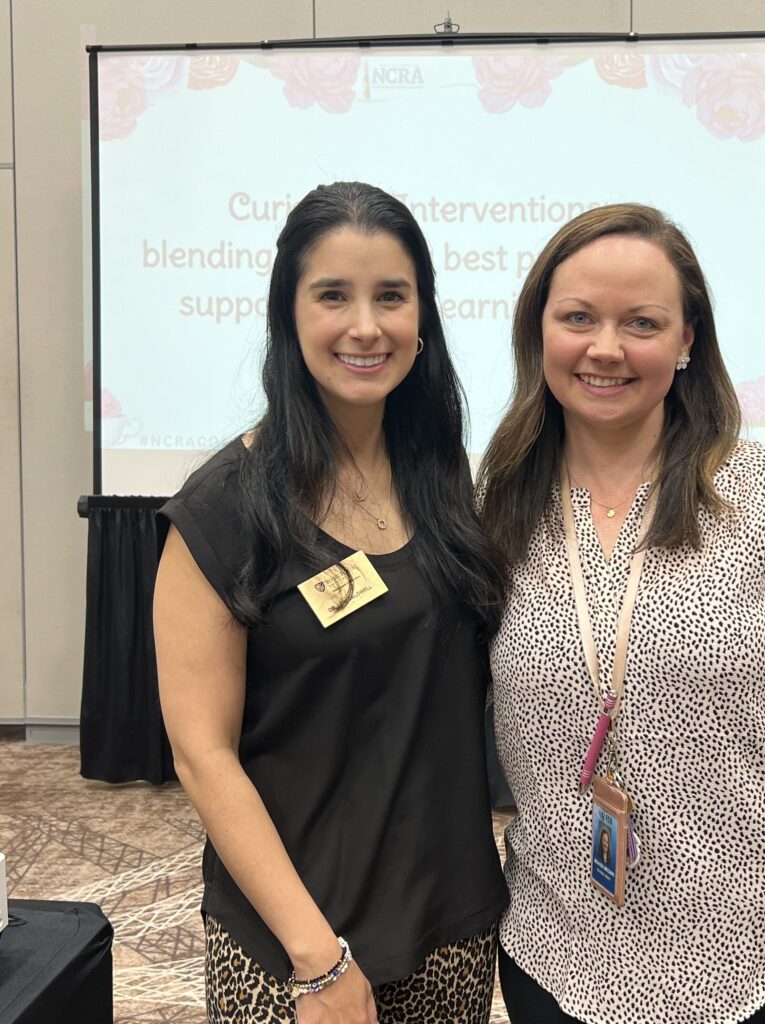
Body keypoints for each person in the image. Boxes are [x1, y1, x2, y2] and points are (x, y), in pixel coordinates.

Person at [478, 203, 765, 1024]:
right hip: (560, 955)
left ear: (688, 341)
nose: (605, 347)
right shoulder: (491, 513)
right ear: (537, 331)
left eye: (640, 322)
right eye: (577, 317)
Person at [154, 181, 508, 1024]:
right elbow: (203, 757)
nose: (365, 326)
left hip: (449, 921)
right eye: (332, 296)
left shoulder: (441, 474)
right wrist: (315, 960)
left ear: (422, 317)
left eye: (391, 295)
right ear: (289, 315)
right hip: (299, 943)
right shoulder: (225, 508)